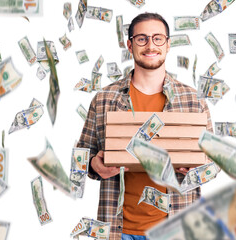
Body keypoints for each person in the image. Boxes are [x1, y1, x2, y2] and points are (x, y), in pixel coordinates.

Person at [77, 12, 213, 240]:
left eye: (158, 38)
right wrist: (93, 164)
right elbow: (81, 157)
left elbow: (213, 160)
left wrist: (200, 168)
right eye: (142, 39)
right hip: (118, 229)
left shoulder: (193, 100)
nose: (151, 45)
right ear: (129, 45)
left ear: (168, 44)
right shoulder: (104, 99)